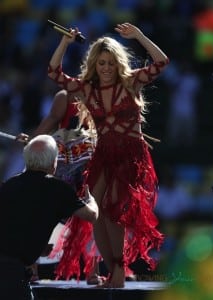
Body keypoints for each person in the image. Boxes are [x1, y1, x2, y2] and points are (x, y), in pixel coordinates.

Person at [48, 22, 169, 288]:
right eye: (101, 63)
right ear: (94, 64)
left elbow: (161, 62)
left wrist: (138, 35)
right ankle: (113, 269)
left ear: (118, 64)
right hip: (103, 153)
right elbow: (54, 73)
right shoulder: (86, 89)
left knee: (114, 211)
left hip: (130, 153)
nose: (105, 68)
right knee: (96, 212)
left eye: (110, 63)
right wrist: (65, 43)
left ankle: (118, 273)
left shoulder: (131, 82)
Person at [0, 134, 98, 299]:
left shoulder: (10, 184)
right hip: (12, 275)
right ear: (53, 162)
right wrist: (92, 200)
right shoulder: (58, 189)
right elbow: (92, 215)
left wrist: (37, 247)